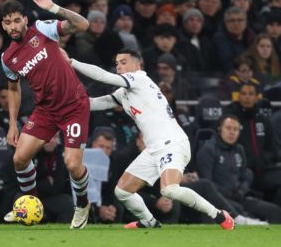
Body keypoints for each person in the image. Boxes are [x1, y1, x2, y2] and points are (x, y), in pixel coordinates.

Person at [70, 48, 235, 230]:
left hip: (173, 143)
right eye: (117, 64)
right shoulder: (125, 91)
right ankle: (149, 222)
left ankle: (219, 215)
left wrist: (72, 63)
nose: (119, 67)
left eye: (123, 62)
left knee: (169, 189)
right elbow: (97, 103)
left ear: (137, 64)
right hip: (153, 149)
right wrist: (70, 102)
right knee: (123, 191)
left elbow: (103, 76)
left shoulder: (139, 79)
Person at [0, 0, 91, 229]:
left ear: (25, 20)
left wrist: (53, 7)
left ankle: (82, 204)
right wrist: (12, 123)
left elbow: (83, 24)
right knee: (19, 158)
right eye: (8, 22)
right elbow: (13, 89)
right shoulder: (8, 58)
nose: (13, 26)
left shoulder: (42, 29)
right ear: (3, 25)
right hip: (46, 111)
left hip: (73, 105)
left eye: (17, 20)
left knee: (72, 164)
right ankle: (31, 205)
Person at [196, 114, 281, 223]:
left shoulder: (239, 149)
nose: (232, 132)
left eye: (235, 129)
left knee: (274, 211)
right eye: (228, 128)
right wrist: (228, 193)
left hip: (240, 197)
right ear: (220, 129)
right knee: (239, 210)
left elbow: (244, 175)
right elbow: (207, 181)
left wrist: (241, 190)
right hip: (219, 199)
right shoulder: (208, 150)